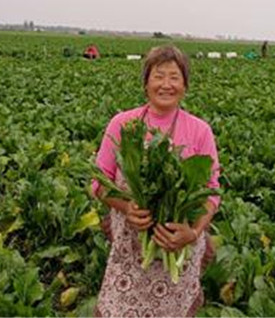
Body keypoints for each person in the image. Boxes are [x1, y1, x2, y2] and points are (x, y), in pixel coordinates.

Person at [92, 45, 221, 317]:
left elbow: (211, 193)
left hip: (179, 246)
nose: (166, 84)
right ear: (146, 83)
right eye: (158, 76)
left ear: (185, 85)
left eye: (174, 77)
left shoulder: (200, 131)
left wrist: (193, 233)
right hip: (130, 246)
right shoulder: (122, 123)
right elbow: (99, 182)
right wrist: (127, 208)